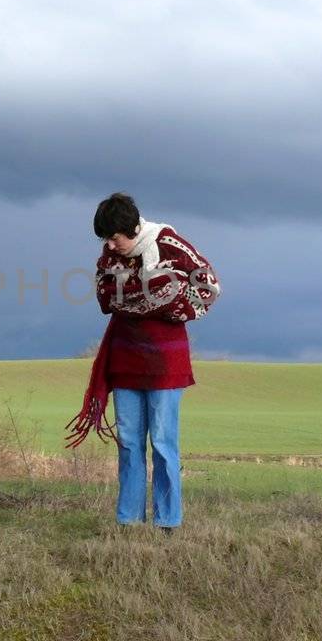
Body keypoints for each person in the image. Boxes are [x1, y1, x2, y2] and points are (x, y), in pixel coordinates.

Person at [65, 192, 220, 531]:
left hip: (166, 363)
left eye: (114, 236)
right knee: (130, 444)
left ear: (133, 227)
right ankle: (129, 521)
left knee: (164, 445)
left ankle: (168, 522)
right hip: (125, 360)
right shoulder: (109, 258)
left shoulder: (170, 245)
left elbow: (208, 287)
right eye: (104, 238)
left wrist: (154, 297)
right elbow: (106, 299)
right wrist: (156, 289)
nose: (109, 245)